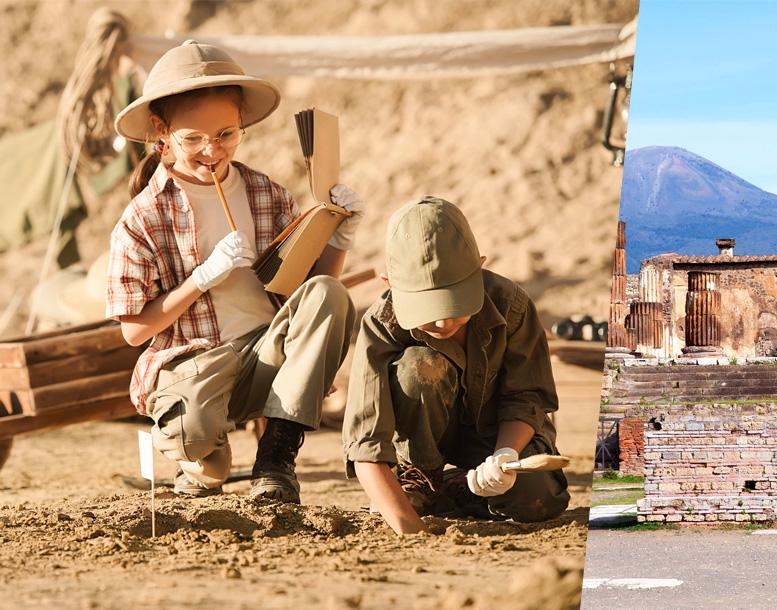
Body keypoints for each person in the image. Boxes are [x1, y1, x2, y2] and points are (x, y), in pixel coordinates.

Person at [106, 40, 362, 503]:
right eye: (193, 139)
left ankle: (276, 459)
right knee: (196, 438)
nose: (212, 150)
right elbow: (133, 330)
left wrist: (339, 235)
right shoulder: (142, 218)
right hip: (194, 364)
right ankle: (203, 463)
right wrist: (202, 277)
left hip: (267, 357)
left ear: (242, 123)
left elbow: (308, 292)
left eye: (226, 134)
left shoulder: (266, 194)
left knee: (331, 294)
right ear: (161, 132)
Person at [343, 197, 569, 535]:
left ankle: (457, 487)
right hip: (421, 446)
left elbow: (527, 399)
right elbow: (366, 443)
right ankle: (420, 479)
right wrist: (409, 529)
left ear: (479, 268)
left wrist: (505, 456)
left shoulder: (512, 305)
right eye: (425, 307)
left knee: (539, 499)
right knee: (419, 367)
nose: (442, 320)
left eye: (455, 303)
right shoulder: (381, 323)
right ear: (390, 284)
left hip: (497, 439)